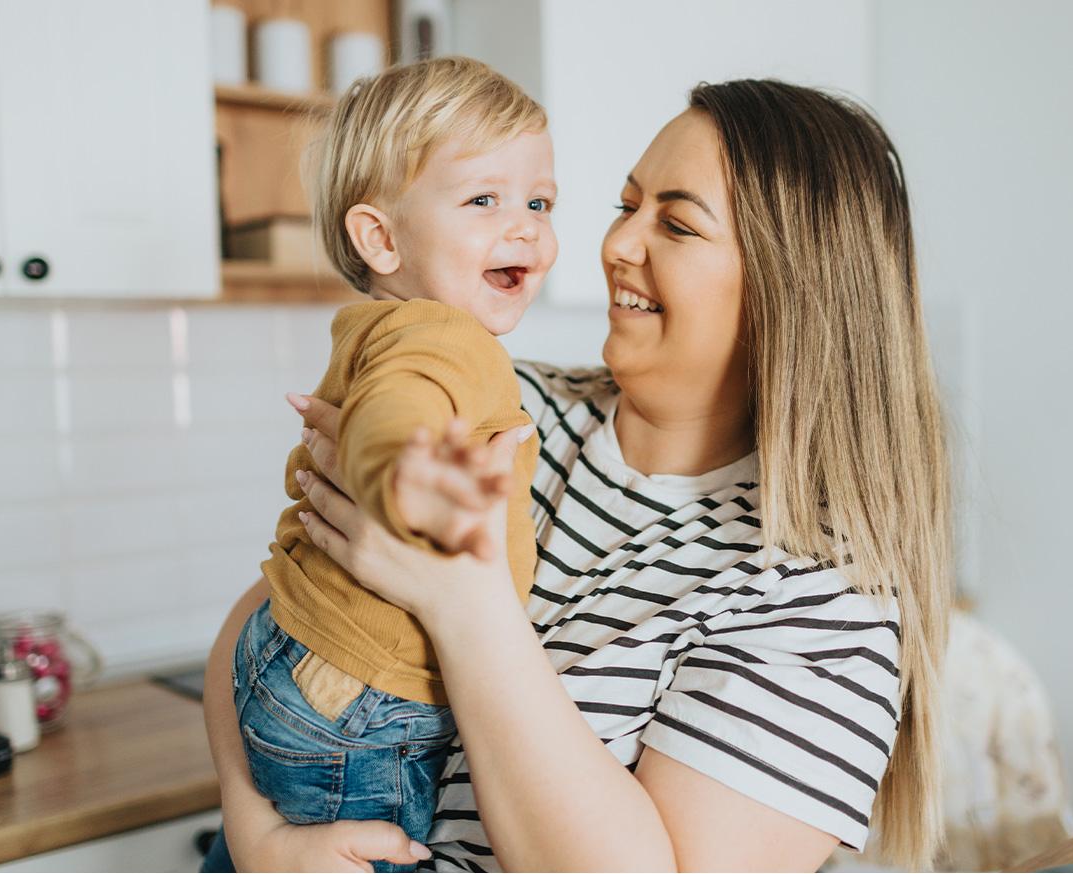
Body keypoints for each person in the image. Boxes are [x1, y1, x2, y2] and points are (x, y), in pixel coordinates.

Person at [203, 77, 951, 872]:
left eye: (676, 223)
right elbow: (276, 615)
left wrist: (464, 599)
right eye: (626, 207)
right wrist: (256, 836)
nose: (618, 246)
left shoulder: (815, 596)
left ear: (791, 284)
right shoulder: (497, 406)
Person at [232, 55, 556, 866]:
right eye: (484, 199)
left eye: (538, 201)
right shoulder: (438, 337)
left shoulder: (381, 328)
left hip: (304, 655)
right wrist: (411, 479)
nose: (524, 225)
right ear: (379, 237)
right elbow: (393, 420)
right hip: (364, 703)